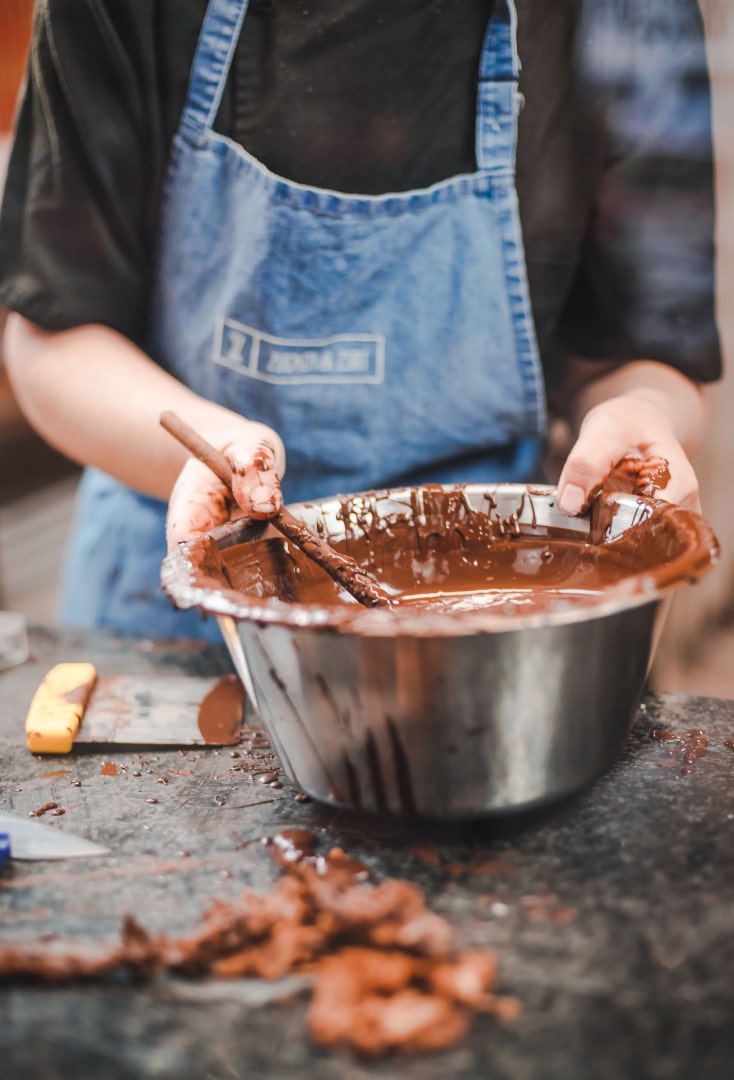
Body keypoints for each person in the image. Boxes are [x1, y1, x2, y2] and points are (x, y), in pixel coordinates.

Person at [0, 0, 721, 641]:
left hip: (499, 631)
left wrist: (641, 413)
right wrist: (215, 453)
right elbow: (51, 336)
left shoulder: (627, 15)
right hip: (178, 626)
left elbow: (633, 357)